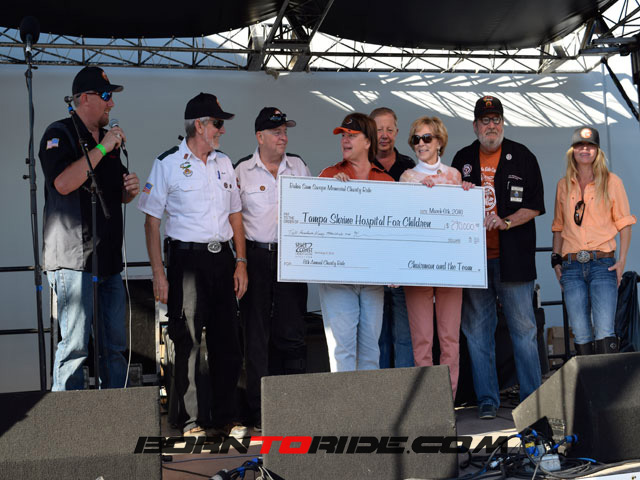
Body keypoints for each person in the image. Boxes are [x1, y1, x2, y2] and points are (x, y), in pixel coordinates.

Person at [138, 93, 247, 437]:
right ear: (199, 125)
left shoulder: (224, 162)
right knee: (187, 342)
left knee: (227, 340)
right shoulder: (168, 163)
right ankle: (190, 421)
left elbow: (236, 215)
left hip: (222, 258)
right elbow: (151, 222)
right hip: (186, 260)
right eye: (217, 123)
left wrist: (241, 261)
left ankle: (226, 417)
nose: (222, 130)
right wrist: (158, 273)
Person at [39, 66, 140, 391]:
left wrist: (128, 191)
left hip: (108, 260)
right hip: (73, 259)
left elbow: (112, 193)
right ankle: (65, 419)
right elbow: (63, 183)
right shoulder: (59, 134)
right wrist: (102, 148)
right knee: (75, 347)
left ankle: (115, 416)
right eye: (106, 96)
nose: (112, 104)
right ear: (84, 98)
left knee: (115, 348)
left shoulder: (107, 143)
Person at [451, 95, 544, 419]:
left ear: (502, 123)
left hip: (514, 260)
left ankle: (533, 399)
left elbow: (534, 206)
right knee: (478, 333)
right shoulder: (462, 158)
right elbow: (447, 205)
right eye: (485, 120)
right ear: (475, 125)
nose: (491, 126)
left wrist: (506, 222)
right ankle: (488, 400)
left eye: (496, 120)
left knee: (524, 331)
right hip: (474, 262)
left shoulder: (523, 156)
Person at [235, 107, 310, 431]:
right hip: (256, 257)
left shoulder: (299, 166)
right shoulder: (242, 170)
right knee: (256, 337)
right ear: (260, 136)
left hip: (292, 257)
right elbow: (232, 220)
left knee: (292, 334)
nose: (283, 137)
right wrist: (240, 262)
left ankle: (292, 409)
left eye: (285, 131)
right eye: (277, 132)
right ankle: (260, 413)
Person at [400, 116, 472, 398]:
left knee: (450, 338)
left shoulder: (454, 176)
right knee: (422, 340)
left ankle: (447, 401)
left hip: (450, 266)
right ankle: (428, 403)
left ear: (440, 141)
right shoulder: (407, 177)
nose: (421, 143)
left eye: (427, 138)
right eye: (416, 139)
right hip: (417, 266)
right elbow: (403, 220)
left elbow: (461, 220)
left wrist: (467, 195)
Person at [318, 113, 393, 372]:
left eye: (352, 136)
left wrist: (396, 267)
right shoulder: (328, 176)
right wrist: (331, 193)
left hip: (372, 280)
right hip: (338, 278)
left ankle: (367, 401)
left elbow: (395, 234)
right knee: (343, 352)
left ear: (368, 142)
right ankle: (345, 402)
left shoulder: (386, 181)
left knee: (371, 352)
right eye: (343, 136)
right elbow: (314, 225)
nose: (345, 140)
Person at [551, 126, 635, 354]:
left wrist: (622, 261)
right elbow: (558, 226)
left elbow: (625, 224)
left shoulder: (612, 182)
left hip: (602, 264)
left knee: (605, 331)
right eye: (580, 145)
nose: (585, 149)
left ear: (598, 151)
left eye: (590, 146)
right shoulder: (563, 185)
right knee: (580, 333)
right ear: (572, 151)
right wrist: (555, 260)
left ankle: (608, 379)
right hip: (571, 266)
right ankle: (588, 378)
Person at [370, 107, 415, 369]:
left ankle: (405, 391)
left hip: (403, 267)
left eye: (389, 129)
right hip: (371, 267)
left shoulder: (411, 168)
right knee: (376, 339)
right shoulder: (359, 166)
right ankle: (380, 393)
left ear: (397, 132)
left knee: (405, 337)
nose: (384, 135)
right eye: (379, 130)